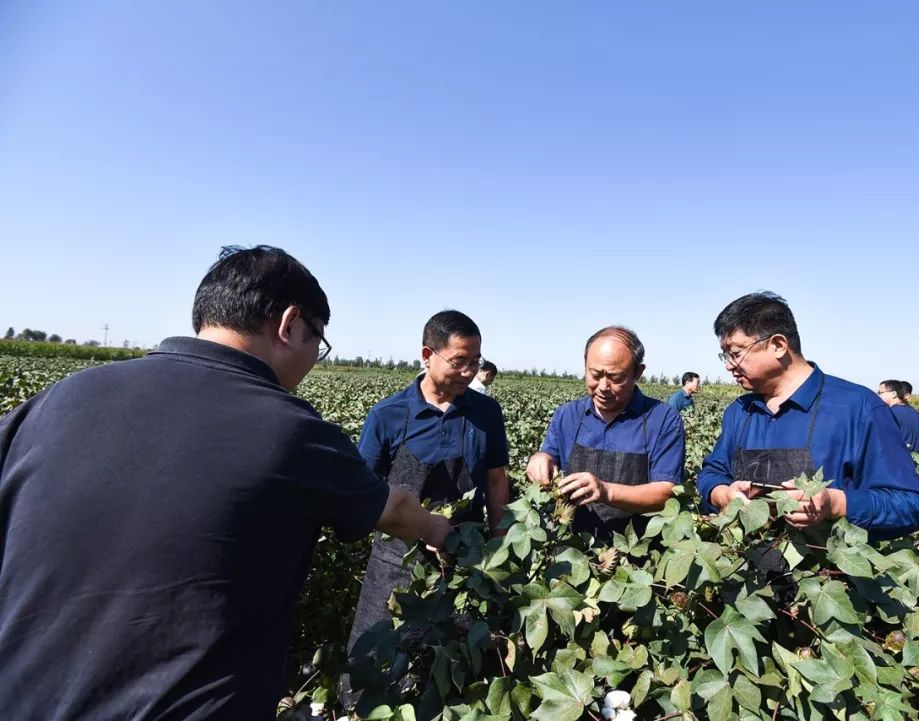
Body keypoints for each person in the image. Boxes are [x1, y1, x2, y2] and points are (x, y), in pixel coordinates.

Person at [0, 246, 450, 721]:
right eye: (319, 340)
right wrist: (439, 530)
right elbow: (393, 510)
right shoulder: (291, 431)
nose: (316, 357)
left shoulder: (59, 398)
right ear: (290, 324)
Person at [696, 292, 919, 541]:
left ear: (778, 345)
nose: (728, 365)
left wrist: (835, 504)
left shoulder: (857, 407)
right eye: (725, 355)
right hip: (743, 571)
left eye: (735, 353)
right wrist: (722, 494)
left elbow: (912, 505)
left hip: (828, 574)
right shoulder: (739, 411)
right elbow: (713, 472)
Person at [344, 311, 511, 662]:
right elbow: (365, 492)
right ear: (426, 356)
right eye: (459, 361)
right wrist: (418, 526)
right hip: (394, 563)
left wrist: (498, 548)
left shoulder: (487, 413)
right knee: (379, 663)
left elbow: (496, 480)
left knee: (452, 665)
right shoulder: (387, 415)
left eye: (475, 362)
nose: (469, 372)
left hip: (466, 559)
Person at [525, 326, 686, 540]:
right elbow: (549, 455)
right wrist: (540, 459)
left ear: (637, 373)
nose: (603, 386)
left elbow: (666, 493)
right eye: (595, 374)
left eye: (615, 377)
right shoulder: (567, 415)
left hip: (636, 553)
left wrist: (605, 491)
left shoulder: (663, 420)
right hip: (569, 549)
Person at [880, 379, 919, 452]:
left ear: (894, 394)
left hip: (896, 457)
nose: (879, 395)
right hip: (914, 458)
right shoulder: (915, 412)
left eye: (881, 393)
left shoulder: (889, 412)